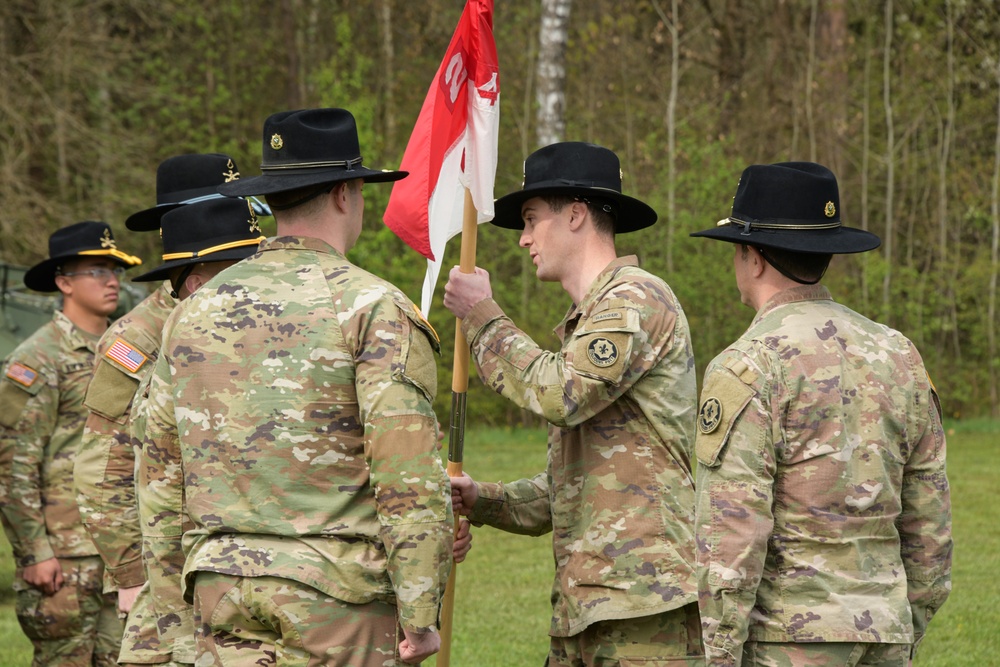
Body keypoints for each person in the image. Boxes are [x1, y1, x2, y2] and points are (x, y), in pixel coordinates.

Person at [136, 107, 454, 667]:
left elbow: (159, 477)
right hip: (336, 601)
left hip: (221, 591)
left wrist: (172, 619)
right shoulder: (372, 307)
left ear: (272, 200)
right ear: (346, 193)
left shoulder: (192, 311)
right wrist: (421, 613)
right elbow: (407, 477)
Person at [443, 141, 704, 666]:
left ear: (577, 216)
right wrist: (482, 498)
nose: (523, 239)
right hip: (586, 610)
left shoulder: (636, 298)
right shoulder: (587, 323)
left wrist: (483, 318)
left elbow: (558, 392)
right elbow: (573, 488)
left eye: (532, 220)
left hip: (642, 613)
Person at [688, 162, 952, 667]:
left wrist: (719, 654)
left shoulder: (749, 364)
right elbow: (931, 526)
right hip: (885, 633)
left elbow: (731, 535)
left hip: (787, 642)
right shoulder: (900, 355)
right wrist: (899, 624)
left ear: (752, 257)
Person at [74, 153, 262, 667]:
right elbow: (100, 466)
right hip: (173, 569)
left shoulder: (265, 314)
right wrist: (131, 573)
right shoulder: (137, 337)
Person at [0, 221, 142, 666]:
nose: (112, 281)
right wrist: (33, 552)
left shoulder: (123, 349)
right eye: (97, 271)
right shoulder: (36, 358)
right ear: (64, 283)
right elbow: (13, 462)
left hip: (119, 547)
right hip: (64, 554)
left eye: (114, 270)